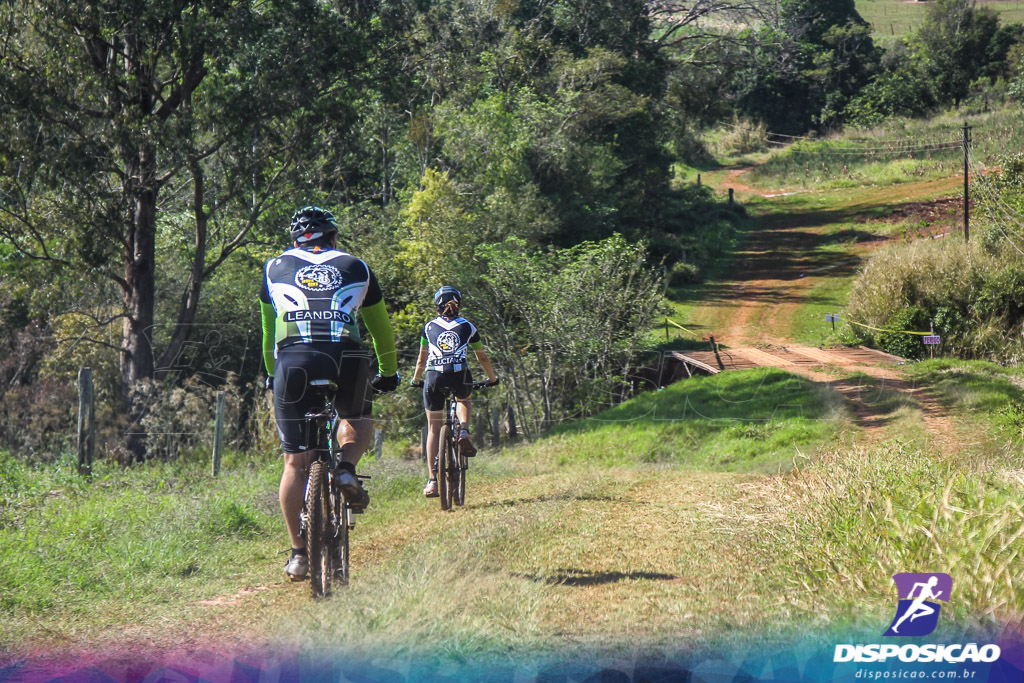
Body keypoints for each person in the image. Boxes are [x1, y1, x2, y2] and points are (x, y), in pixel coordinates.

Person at [260, 206, 399, 579]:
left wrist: (273, 375)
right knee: (357, 417)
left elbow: (267, 331)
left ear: (295, 242)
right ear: (333, 238)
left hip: (294, 361)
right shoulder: (357, 266)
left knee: (294, 463)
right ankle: (347, 470)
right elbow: (381, 330)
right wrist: (388, 373)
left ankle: (298, 554)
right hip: (347, 356)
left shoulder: (274, 268)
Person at [410, 286, 498, 497]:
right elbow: (482, 358)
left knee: (433, 428)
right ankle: (464, 431)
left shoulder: (428, 326)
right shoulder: (468, 326)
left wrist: (416, 379)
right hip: (460, 375)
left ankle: (432, 480)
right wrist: (492, 379)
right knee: (463, 400)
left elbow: (422, 359)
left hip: (433, 377)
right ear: (459, 304)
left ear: (437, 305)